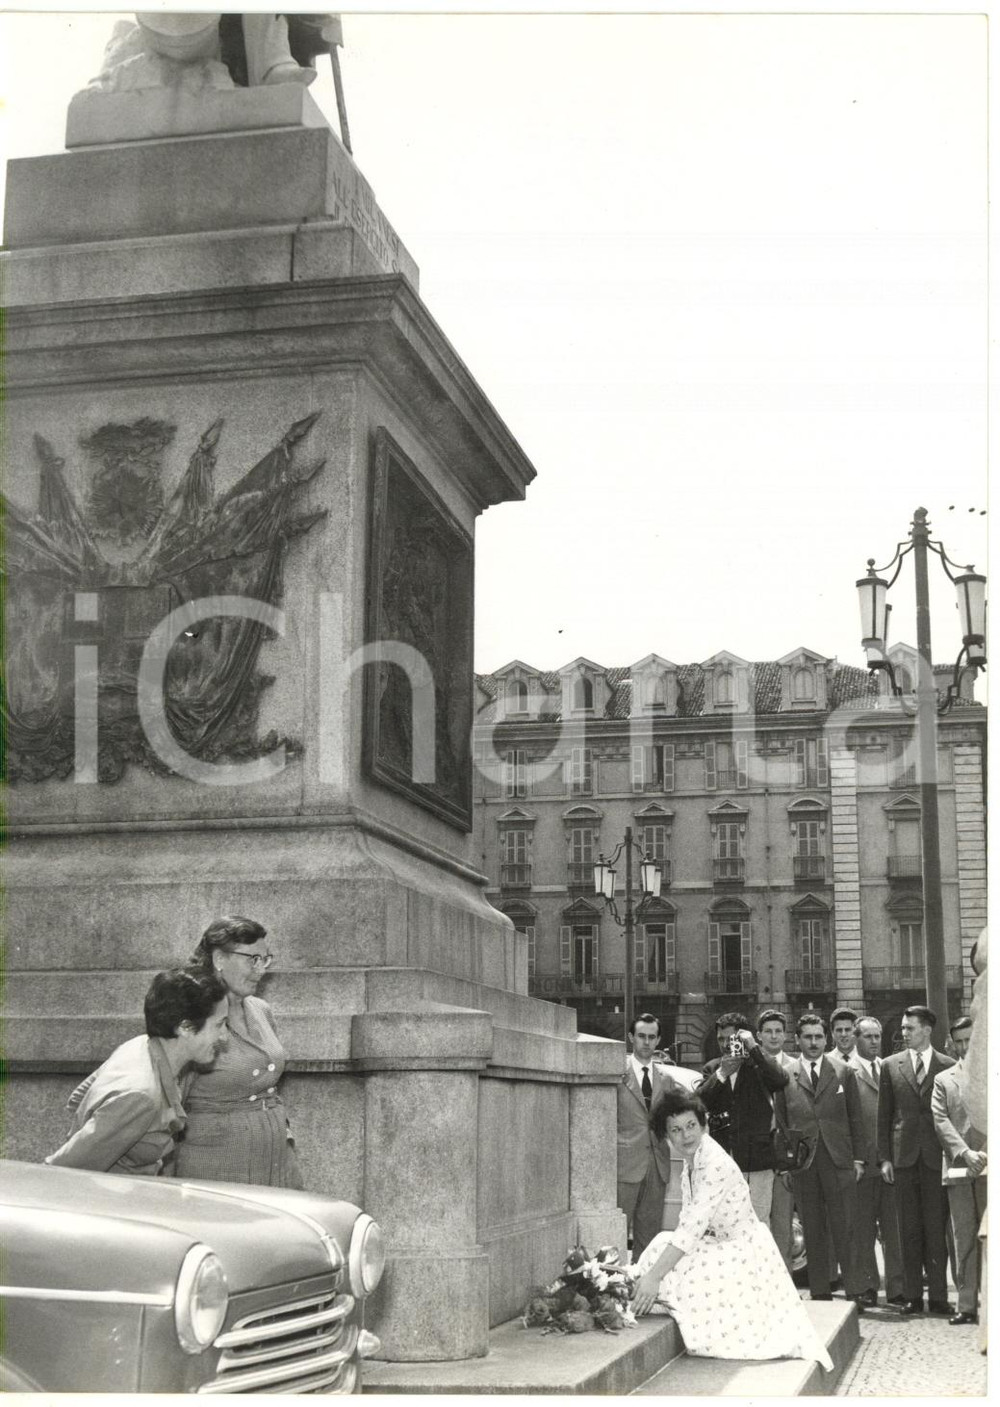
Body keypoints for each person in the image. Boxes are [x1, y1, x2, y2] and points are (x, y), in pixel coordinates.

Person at [630, 1091, 833, 1372]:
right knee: (660, 1244)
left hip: (741, 1256)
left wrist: (654, 1277)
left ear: (704, 1126)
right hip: (717, 1245)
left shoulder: (715, 1164)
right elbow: (687, 1227)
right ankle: (631, 1291)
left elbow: (690, 1231)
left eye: (691, 1126)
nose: (686, 1136)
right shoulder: (692, 1162)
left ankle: (644, 1293)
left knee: (663, 1269)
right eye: (676, 1130)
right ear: (665, 1136)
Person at [46, 969, 228, 1176]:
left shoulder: (141, 1046)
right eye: (219, 1024)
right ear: (185, 1027)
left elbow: (80, 1100)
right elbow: (62, 1172)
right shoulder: (141, 1095)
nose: (224, 1036)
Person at [175, 916, 303, 1188]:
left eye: (265, 959)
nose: (261, 970)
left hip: (276, 1166)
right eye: (252, 959)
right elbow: (170, 1104)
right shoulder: (193, 1017)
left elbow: (271, 1088)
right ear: (219, 959)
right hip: (214, 1175)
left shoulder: (260, 1009)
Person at [777, 1012, 867, 1310]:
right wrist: (786, 1164)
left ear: (825, 1038)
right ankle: (820, 1290)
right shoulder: (785, 1075)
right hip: (804, 1161)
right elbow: (782, 1121)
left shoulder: (843, 1071)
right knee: (812, 1226)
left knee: (846, 1226)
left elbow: (856, 1117)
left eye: (818, 1037)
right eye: (807, 1037)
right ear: (797, 1040)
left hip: (838, 1158)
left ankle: (854, 1289)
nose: (813, 1042)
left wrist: (858, 1159)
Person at [876, 1004, 955, 1316]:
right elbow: (883, 1117)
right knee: (908, 1230)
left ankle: (938, 1296)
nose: (904, 1033)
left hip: (937, 1159)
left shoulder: (948, 1065)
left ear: (927, 1029)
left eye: (910, 1028)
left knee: (936, 1230)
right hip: (904, 1159)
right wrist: (884, 1159)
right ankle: (911, 1296)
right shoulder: (890, 1065)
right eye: (904, 1028)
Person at [698, 1010, 789, 1224]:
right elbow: (699, 1103)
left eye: (730, 1039)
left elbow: (780, 1079)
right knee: (724, 1221)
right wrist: (721, 1074)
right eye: (720, 1039)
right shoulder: (713, 1068)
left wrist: (754, 1049)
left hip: (757, 1161)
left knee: (758, 1223)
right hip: (723, 1160)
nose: (724, 1044)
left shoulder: (758, 1066)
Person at [932, 1016, 987, 1326]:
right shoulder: (944, 1080)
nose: (965, 1047)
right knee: (963, 1236)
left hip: (991, 1167)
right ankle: (966, 1305)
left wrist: (986, 1153)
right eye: (960, 1042)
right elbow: (941, 1121)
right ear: (952, 1043)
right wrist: (965, 1153)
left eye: (970, 1039)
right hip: (958, 1169)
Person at [847, 1016, 905, 1306]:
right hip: (862, 1165)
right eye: (868, 1036)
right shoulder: (847, 1072)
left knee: (894, 1230)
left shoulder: (890, 1068)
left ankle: (897, 1288)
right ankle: (869, 1287)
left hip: (889, 1165)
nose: (873, 1042)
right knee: (863, 1230)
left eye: (877, 1036)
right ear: (856, 1039)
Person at [618, 1013, 685, 1258]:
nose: (646, 1042)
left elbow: (675, 1121)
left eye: (652, 1037)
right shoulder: (617, 1076)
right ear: (631, 1038)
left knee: (649, 1240)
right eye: (641, 1036)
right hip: (625, 1166)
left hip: (657, 1167)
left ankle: (642, 1291)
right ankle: (612, 1290)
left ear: (658, 1041)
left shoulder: (667, 1080)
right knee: (616, 1236)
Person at [756, 1008, 797, 1271]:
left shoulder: (795, 1068)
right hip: (756, 1157)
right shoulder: (749, 1066)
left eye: (778, 1031)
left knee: (784, 1225)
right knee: (757, 1227)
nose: (773, 1037)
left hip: (786, 1158)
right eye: (768, 1032)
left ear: (785, 1035)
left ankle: (786, 1286)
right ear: (758, 1036)